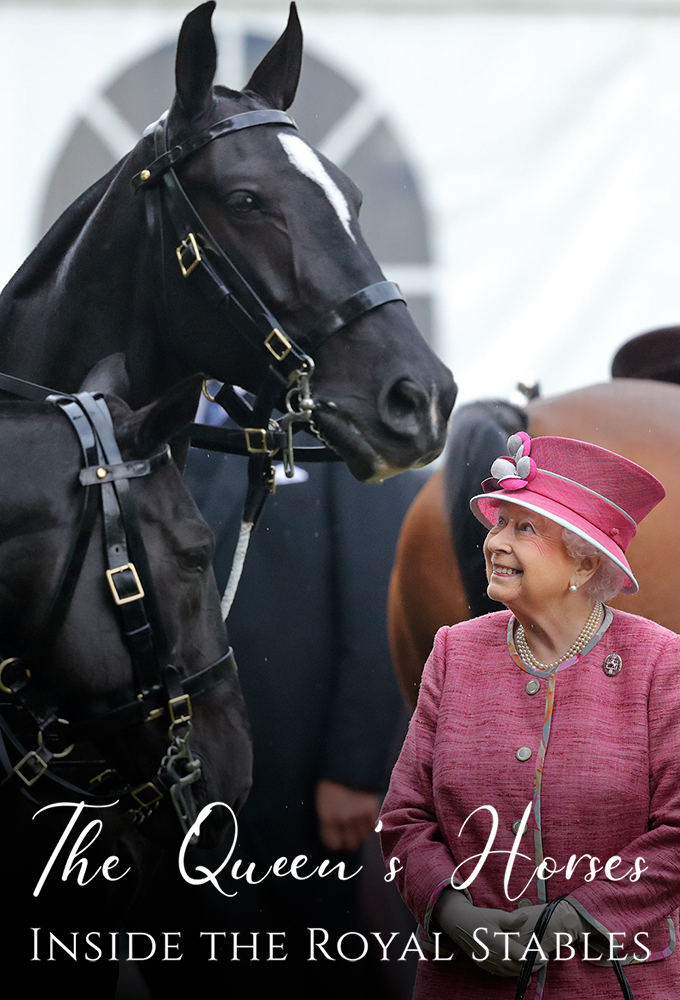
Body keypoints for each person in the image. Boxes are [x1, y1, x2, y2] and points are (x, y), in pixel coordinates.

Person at [380, 431, 680, 999]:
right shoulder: (454, 651)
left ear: (584, 563)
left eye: (524, 528)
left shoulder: (662, 663)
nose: (493, 542)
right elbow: (403, 818)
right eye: (497, 524)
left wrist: (568, 922)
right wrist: (453, 914)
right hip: (463, 983)